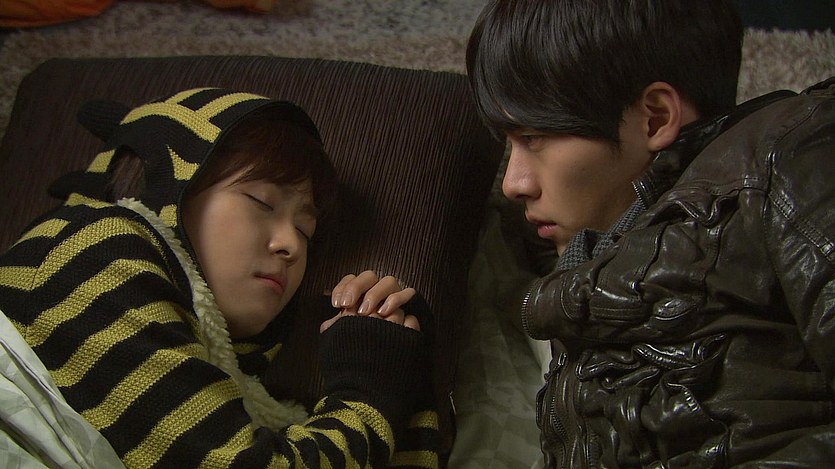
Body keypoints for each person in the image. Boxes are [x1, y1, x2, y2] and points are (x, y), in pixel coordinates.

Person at [466, 0, 835, 467]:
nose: (513, 182)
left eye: (533, 137)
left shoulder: (786, 152)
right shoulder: (581, 272)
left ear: (655, 118)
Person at [0, 87, 440, 467]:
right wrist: (368, 389)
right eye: (261, 202)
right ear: (172, 188)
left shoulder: (244, 393)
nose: (291, 244)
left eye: (306, 231)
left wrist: (398, 358)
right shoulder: (93, 245)